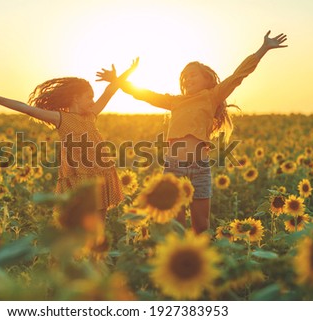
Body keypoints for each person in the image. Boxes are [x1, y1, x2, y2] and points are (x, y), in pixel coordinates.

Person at [98, 31, 287, 233]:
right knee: (176, 225)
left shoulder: (212, 96)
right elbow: (144, 95)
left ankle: (203, 259)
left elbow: (239, 75)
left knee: (201, 225)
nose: (187, 79)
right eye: (184, 77)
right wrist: (118, 81)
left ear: (206, 79)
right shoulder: (175, 101)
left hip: (200, 168)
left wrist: (263, 49)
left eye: (192, 75)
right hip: (174, 167)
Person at [0, 59, 138, 223]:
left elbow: (111, 90)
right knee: (80, 223)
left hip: (100, 172)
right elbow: (25, 108)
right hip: (79, 176)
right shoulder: (61, 118)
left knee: (99, 223)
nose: (93, 101)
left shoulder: (91, 115)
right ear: (75, 98)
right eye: (89, 97)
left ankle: (96, 249)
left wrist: (128, 71)